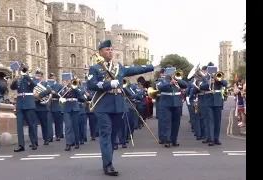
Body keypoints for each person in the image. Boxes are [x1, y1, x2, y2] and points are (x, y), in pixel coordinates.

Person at [87, 40, 154, 176]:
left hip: (118, 105)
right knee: (106, 134)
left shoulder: (119, 67)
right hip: (103, 105)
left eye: (111, 49)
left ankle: (107, 160)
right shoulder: (95, 68)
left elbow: (134, 70)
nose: (110, 51)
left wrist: (151, 67)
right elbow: (91, 84)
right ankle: (108, 164)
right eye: (107, 49)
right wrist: (108, 84)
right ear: (100, 52)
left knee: (113, 136)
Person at [156, 67, 188, 147]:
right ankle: (167, 140)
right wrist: (170, 83)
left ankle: (174, 140)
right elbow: (160, 87)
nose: (173, 75)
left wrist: (178, 80)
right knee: (167, 123)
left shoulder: (178, 80)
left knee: (176, 123)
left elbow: (185, 85)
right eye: (171, 73)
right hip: (166, 104)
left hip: (177, 103)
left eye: (174, 73)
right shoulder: (162, 80)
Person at [10, 65, 38, 152]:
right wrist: (14, 79)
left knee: (31, 124)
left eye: (24, 69)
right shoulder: (18, 79)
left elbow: (34, 84)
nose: (22, 70)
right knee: (19, 126)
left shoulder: (30, 78)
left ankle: (33, 142)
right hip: (20, 104)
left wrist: (26, 76)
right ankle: (21, 145)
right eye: (21, 69)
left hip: (29, 104)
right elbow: (12, 87)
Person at [199, 66, 228, 146]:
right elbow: (201, 87)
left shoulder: (219, 76)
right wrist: (209, 83)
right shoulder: (205, 77)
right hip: (208, 101)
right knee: (210, 121)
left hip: (218, 101)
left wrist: (219, 79)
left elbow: (225, 84)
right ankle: (211, 138)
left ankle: (216, 138)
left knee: (217, 121)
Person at [59, 77, 85, 151]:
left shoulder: (76, 89)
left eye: (70, 81)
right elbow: (60, 97)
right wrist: (65, 93)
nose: (69, 83)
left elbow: (82, 98)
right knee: (68, 127)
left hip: (75, 108)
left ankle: (77, 142)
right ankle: (68, 144)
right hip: (66, 108)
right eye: (67, 81)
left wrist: (75, 88)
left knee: (75, 126)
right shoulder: (64, 89)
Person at [33, 70, 52, 146]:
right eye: (36, 76)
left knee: (44, 124)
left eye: (39, 76)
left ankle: (46, 139)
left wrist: (39, 95)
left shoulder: (45, 83)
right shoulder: (33, 83)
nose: (37, 77)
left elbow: (48, 90)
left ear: (42, 77)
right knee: (34, 125)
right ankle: (34, 141)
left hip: (43, 106)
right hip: (34, 106)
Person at [47, 73, 64, 141]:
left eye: (53, 77)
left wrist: (55, 93)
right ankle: (50, 137)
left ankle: (58, 135)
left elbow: (61, 95)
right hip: (49, 105)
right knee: (49, 122)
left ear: (56, 78)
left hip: (57, 105)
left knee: (58, 122)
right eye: (51, 77)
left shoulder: (59, 86)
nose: (52, 78)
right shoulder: (47, 85)